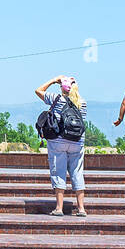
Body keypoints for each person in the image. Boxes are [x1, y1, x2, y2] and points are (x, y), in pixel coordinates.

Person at [35, 74, 88, 216]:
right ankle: (81, 208)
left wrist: (53, 80)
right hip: (77, 141)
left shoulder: (57, 98)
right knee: (77, 172)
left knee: (58, 171)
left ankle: (59, 208)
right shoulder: (82, 102)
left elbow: (38, 90)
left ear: (62, 88)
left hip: (58, 141)